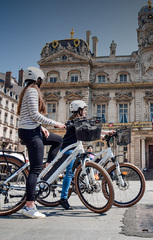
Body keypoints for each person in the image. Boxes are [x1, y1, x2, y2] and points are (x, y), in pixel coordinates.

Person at [17, 66, 66, 219]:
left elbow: (31, 116)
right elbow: (34, 114)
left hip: (34, 129)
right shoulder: (32, 91)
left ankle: (48, 167)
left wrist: (42, 127)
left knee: (58, 140)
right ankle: (29, 206)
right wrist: (54, 123)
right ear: (38, 79)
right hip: (30, 132)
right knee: (34, 170)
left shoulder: (29, 90)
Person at [59, 100, 113, 210]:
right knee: (69, 172)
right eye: (84, 109)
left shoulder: (79, 120)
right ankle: (63, 199)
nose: (85, 111)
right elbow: (90, 128)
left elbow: (91, 129)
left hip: (75, 148)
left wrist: (103, 134)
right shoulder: (76, 121)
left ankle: (78, 185)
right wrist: (106, 132)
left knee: (82, 165)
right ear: (79, 110)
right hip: (68, 148)